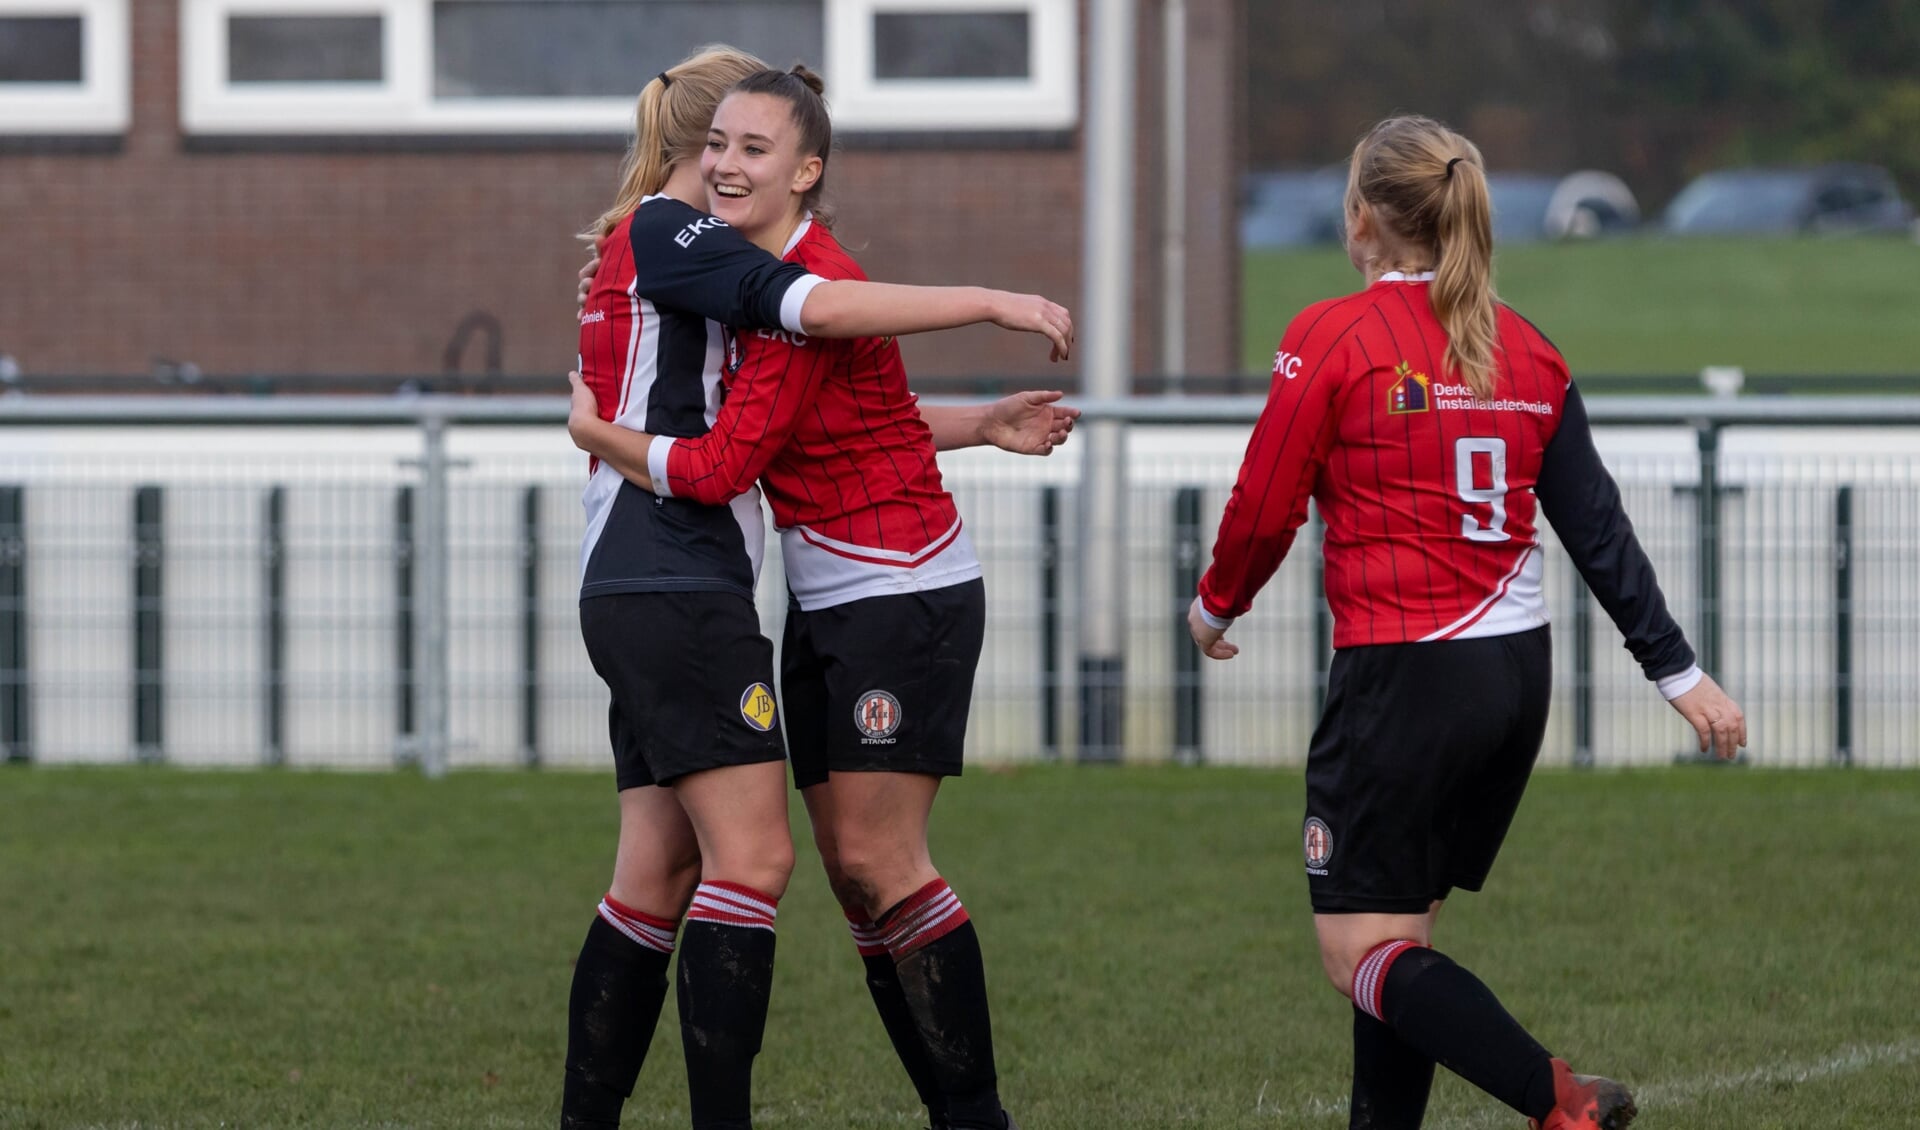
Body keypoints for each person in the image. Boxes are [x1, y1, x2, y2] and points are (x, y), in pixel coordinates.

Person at [1188, 115, 1747, 1130]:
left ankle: (1556, 1098)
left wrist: (1214, 602)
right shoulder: (1526, 348)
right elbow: (1598, 529)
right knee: (1399, 940)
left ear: (1362, 216)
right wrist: (1680, 673)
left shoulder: (1334, 333)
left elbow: (1266, 500)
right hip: (1512, 681)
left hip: (1406, 678)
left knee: (1358, 953)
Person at [562, 46, 1071, 1130]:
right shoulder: (694, 248)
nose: (733, 164)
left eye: (758, 147)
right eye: (724, 146)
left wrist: (980, 415)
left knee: (854, 860)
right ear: (699, 156)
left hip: (888, 583)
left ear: (804, 168)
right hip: (729, 583)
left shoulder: (763, 271)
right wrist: (608, 432)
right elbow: (760, 408)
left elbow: (801, 412)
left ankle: (972, 1113)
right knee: (804, 863)